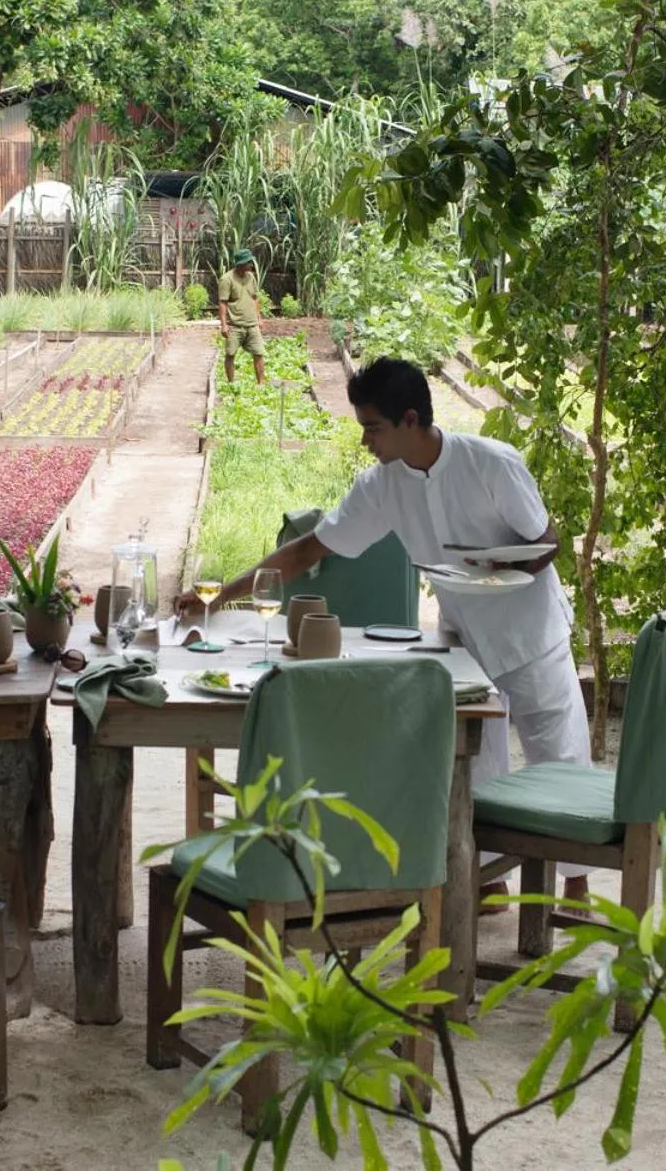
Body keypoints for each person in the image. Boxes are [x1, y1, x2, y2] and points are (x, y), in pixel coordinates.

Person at [173, 355, 592, 903]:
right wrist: (219, 596)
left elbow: (548, 542)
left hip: (529, 633)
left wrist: (500, 567)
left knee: (557, 755)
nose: (366, 439)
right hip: (465, 639)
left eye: (373, 427)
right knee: (475, 768)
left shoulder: (492, 464)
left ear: (411, 420)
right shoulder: (382, 486)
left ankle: (577, 889)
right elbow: (311, 547)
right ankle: (483, 888)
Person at [216, 248, 265, 385]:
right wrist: (224, 325)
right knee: (230, 354)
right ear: (240, 264)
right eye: (248, 263)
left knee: (259, 353)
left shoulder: (251, 277)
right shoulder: (227, 279)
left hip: (252, 324)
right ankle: (231, 383)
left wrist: (259, 318)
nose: (250, 265)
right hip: (234, 325)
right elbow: (223, 303)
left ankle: (261, 384)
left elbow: (255, 298)